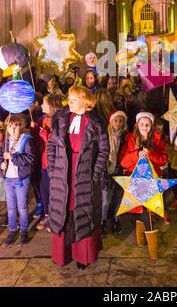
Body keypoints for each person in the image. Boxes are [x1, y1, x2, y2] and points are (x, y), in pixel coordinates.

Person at [47, 86, 109, 269]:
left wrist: (94, 174)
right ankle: (63, 254)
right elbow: (52, 145)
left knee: (82, 211)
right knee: (63, 211)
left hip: (84, 174)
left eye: (73, 99)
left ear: (83, 100)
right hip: (62, 172)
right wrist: (52, 168)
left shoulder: (97, 122)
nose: (69, 102)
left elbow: (104, 151)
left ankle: (83, 256)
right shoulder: (62, 119)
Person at [119, 111, 168, 259]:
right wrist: (136, 154)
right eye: (142, 124)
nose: (145, 127)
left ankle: (148, 246)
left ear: (151, 126)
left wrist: (150, 154)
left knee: (146, 210)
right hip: (136, 181)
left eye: (147, 125)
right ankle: (146, 244)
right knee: (142, 210)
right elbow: (123, 162)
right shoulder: (130, 139)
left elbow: (163, 160)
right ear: (137, 125)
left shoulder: (158, 140)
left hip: (152, 181)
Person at [0, 114, 35, 247]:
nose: (12, 130)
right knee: (11, 208)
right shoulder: (7, 141)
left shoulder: (26, 140)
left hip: (21, 179)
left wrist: (13, 157)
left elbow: (29, 159)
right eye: (10, 127)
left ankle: (24, 231)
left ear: (21, 126)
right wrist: (1, 165)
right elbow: (0, 156)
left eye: (15, 127)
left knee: (22, 207)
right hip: (8, 179)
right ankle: (12, 230)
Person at [36, 93, 63, 232]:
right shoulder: (44, 118)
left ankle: (54, 217)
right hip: (44, 161)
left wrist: (44, 135)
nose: (41, 105)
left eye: (44, 103)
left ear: (51, 105)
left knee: (54, 192)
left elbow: (55, 143)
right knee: (44, 190)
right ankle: (47, 215)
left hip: (54, 162)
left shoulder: (58, 121)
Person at [101, 109, 128, 237]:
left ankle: (116, 218)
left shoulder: (126, 136)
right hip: (106, 168)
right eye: (116, 120)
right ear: (111, 122)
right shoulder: (105, 135)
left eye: (121, 121)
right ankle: (102, 220)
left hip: (119, 168)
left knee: (119, 195)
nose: (118, 123)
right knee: (105, 197)